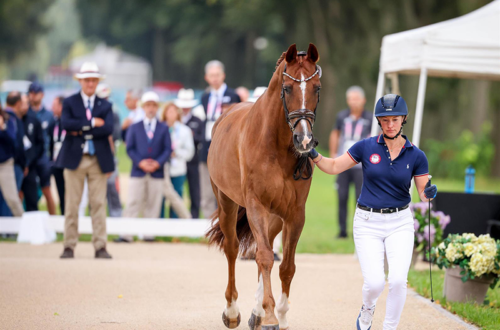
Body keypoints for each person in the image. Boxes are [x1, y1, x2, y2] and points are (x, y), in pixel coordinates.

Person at [309, 94, 438, 330]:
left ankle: (389, 327)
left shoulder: (417, 155)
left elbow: (422, 194)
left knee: (398, 281)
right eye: (385, 120)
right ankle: (367, 308)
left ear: (403, 120)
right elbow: (335, 166)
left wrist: (430, 192)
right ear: (379, 121)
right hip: (367, 222)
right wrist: (314, 155)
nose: (390, 125)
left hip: (400, 222)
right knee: (375, 283)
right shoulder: (365, 147)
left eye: (395, 120)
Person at [57, 62, 115, 259]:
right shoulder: (70, 102)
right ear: (81, 81)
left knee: (98, 203)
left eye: (93, 80)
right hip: (75, 158)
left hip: (97, 159)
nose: (90, 83)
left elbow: (108, 128)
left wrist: (79, 128)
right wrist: (91, 123)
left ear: (97, 82)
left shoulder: (105, 105)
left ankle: (100, 245)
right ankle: (69, 245)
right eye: (87, 80)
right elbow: (66, 124)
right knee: (71, 203)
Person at [120, 91, 172, 242]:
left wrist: (157, 163)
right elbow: (129, 148)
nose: (150, 108)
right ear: (143, 107)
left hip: (157, 172)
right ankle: (126, 234)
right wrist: (140, 162)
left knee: (153, 203)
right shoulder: (135, 127)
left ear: (157, 108)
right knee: (133, 201)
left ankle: (149, 234)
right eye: (148, 105)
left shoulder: (163, 128)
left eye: (153, 106)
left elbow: (167, 149)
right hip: (138, 171)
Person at [329, 86, 373, 238]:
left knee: (360, 197)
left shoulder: (370, 118)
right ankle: (342, 231)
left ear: (363, 100)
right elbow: (335, 134)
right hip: (343, 162)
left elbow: (375, 137)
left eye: (357, 99)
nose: (354, 102)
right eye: (351, 99)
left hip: (362, 165)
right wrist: (334, 154)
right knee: (342, 196)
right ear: (347, 100)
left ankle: (359, 230)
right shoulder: (342, 116)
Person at [200, 60, 240, 218]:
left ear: (223, 76)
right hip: (207, 146)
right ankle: (210, 227)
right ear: (206, 77)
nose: (215, 78)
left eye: (217, 75)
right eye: (212, 75)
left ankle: (229, 226)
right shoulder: (205, 97)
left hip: (226, 149)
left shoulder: (232, 95)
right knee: (206, 191)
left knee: (226, 191)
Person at [161, 102, 194, 218]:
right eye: (168, 111)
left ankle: (175, 227)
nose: (171, 114)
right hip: (161, 169)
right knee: (160, 197)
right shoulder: (159, 128)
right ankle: (158, 226)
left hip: (178, 168)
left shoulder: (185, 130)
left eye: (173, 111)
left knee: (176, 197)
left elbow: (190, 152)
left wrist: (177, 153)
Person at [27, 82, 56, 215]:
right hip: (28, 157)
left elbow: (51, 139)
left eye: (36, 93)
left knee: (46, 190)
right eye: (31, 93)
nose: (33, 96)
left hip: (42, 157)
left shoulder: (49, 115)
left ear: (42, 95)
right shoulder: (25, 113)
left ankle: (54, 222)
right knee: (25, 190)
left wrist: (50, 159)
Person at [176, 89, 203, 218]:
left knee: (194, 190)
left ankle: (194, 216)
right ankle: (176, 216)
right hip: (176, 160)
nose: (185, 108)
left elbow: (201, 137)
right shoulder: (176, 120)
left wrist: (190, 136)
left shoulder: (197, 121)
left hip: (193, 160)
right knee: (176, 190)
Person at [96, 84, 123, 218]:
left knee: (112, 189)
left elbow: (116, 134)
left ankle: (116, 218)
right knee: (95, 190)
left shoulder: (114, 115)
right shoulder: (92, 114)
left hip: (110, 156)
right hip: (94, 156)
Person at [0, 92, 26, 216]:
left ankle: (24, 226)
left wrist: (2, 128)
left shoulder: (8, 118)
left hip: (5, 164)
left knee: (11, 198)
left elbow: (13, 140)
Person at [20, 94, 45, 212]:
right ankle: (9, 230)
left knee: (32, 200)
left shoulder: (34, 120)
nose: (25, 106)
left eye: (26, 103)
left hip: (31, 167)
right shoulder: (11, 120)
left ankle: (32, 229)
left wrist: (28, 163)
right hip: (14, 166)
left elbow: (40, 144)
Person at [48, 96, 66, 214]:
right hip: (56, 164)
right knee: (60, 192)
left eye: (54, 106)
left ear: (61, 107)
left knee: (70, 194)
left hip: (68, 164)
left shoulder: (69, 123)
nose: (52, 108)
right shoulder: (53, 123)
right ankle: (63, 219)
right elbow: (50, 143)